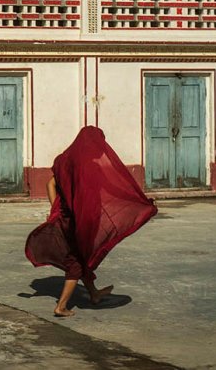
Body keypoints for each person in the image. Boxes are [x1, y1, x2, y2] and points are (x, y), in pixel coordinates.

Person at [25, 125, 157, 317]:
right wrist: (141, 202)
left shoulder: (65, 160)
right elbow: (113, 188)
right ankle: (61, 306)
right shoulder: (90, 166)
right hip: (81, 221)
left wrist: (56, 209)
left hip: (68, 218)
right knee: (77, 261)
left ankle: (93, 293)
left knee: (83, 256)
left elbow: (50, 184)